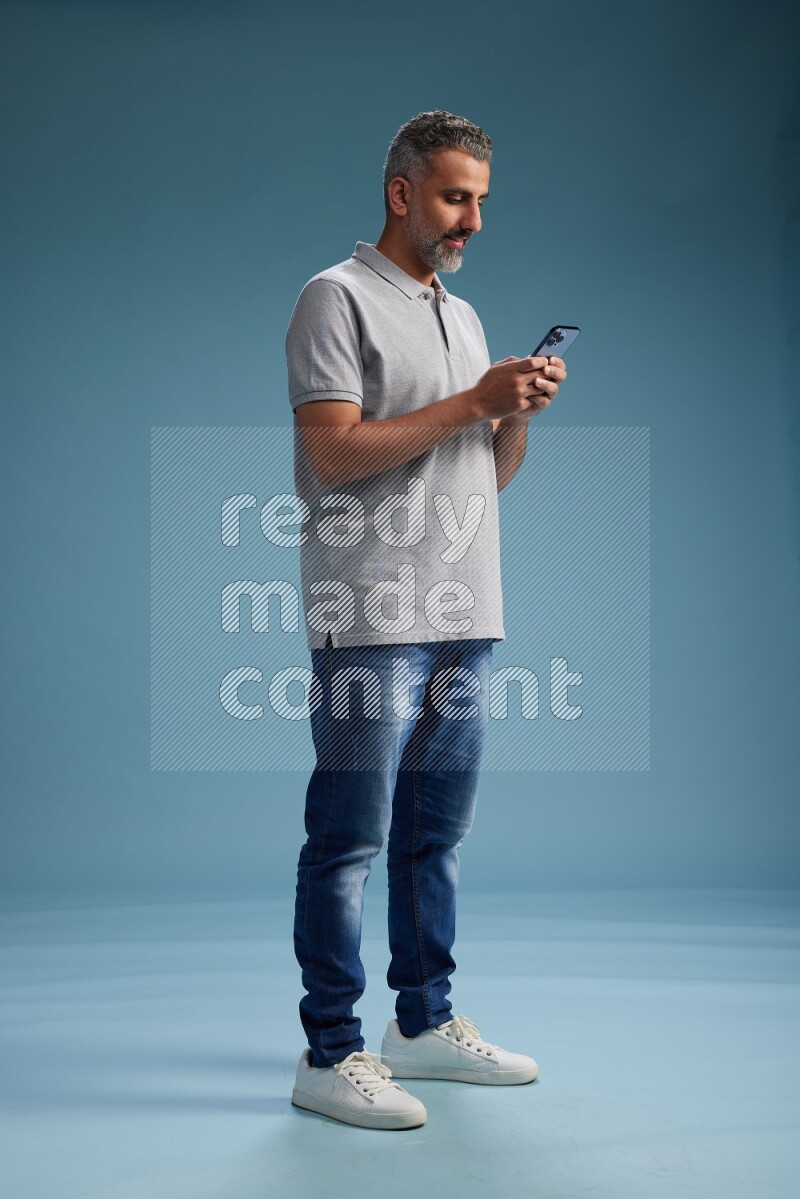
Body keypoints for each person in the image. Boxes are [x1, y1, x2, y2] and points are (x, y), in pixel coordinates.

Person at [285, 110, 567, 1130]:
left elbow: (487, 477)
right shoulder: (334, 297)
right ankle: (329, 1051)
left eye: (481, 199)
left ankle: (421, 1021)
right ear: (401, 192)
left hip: (464, 605)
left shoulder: (466, 315)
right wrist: (467, 402)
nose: (472, 219)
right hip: (369, 610)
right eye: (455, 196)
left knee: (433, 836)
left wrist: (513, 410)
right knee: (350, 837)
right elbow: (333, 454)